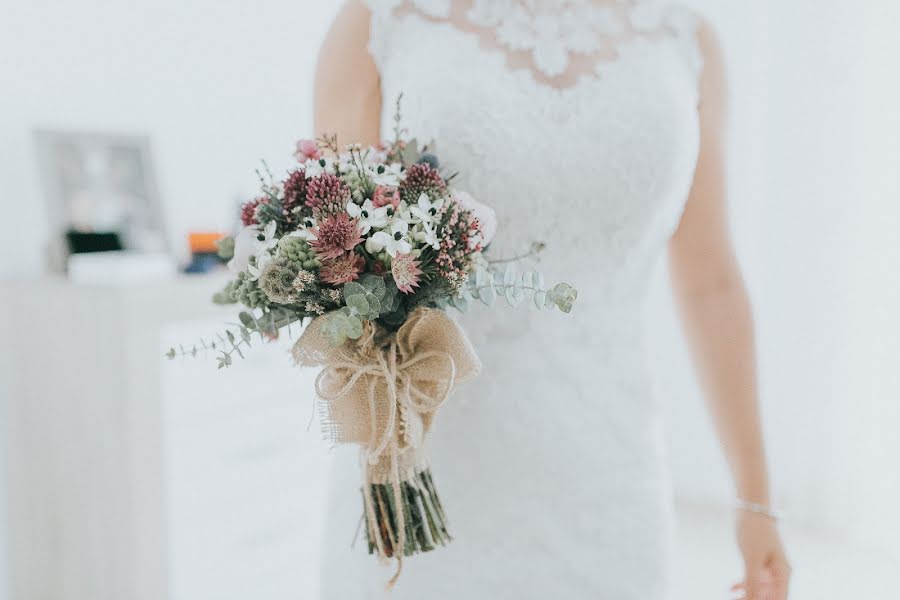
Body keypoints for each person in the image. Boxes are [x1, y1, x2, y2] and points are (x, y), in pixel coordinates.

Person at [314, 1, 790, 598]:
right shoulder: (384, 19)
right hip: (426, 474)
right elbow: (336, 257)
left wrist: (755, 498)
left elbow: (709, 281)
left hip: (610, 475)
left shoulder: (684, 40)